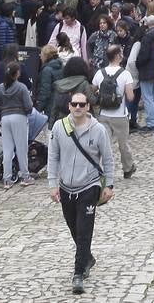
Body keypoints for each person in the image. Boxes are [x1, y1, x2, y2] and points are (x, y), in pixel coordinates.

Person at [47, 89, 114, 295]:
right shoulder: (59, 127)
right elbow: (53, 156)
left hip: (89, 186)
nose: (77, 108)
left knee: (84, 231)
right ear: (69, 106)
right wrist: (52, 183)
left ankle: (78, 274)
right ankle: (87, 257)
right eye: (74, 104)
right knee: (73, 228)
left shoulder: (98, 130)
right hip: (66, 186)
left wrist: (109, 185)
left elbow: (108, 158)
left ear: (88, 107)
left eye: (82, 105)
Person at [92, 46, 136, 180]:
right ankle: (128, 168)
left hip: (103, 114)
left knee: (104, 144)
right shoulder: (125, 74)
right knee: (123, 144)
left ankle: (103, 170)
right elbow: (130, 97)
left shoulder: (100, 73)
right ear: (117, 56)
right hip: (120, 115)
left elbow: (93, 89)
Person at [0, 62, 36, 188]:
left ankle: (7, 179)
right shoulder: (21, 87)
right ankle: (25, 176)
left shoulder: (0, 88)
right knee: (21, 148)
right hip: (19, 117)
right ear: (17, 74)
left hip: (5, 118)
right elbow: (28, 106)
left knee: (8, 149)